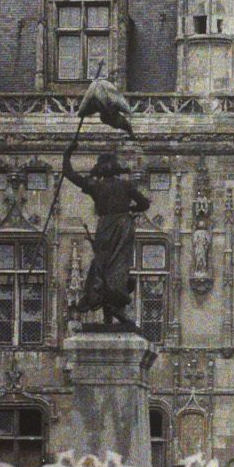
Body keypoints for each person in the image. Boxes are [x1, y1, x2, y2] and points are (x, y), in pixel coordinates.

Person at [61, 142, 151, 333]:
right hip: (123, 228)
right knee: (118, 268)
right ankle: (114, 314)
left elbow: (69, 174)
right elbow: (144, 204)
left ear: (100, 170)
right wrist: (129, 210)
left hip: (105, 228)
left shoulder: (96, 187)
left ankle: (109, 314)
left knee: (102, 268)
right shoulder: (125, 186)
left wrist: (67, 154)